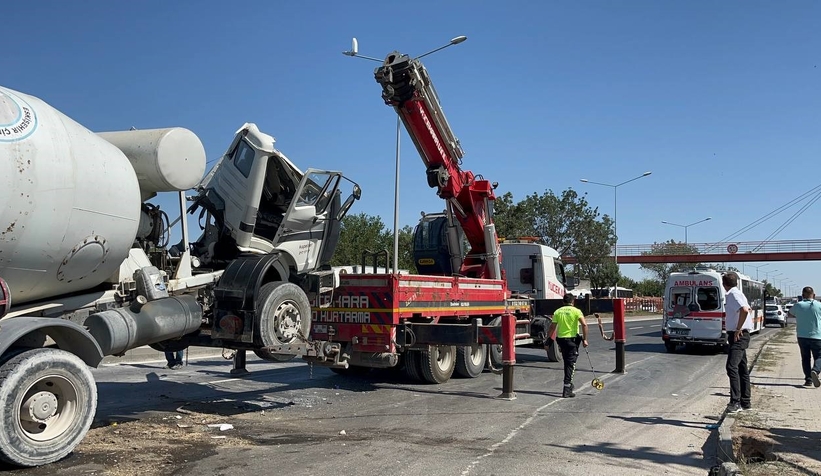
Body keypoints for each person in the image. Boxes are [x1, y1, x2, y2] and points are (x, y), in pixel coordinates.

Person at [546, 293, 589, 398]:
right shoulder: (576, 311)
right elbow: (584, 324)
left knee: (567, 362)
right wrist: (585, 339)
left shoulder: (558, 311)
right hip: (572, 341)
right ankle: (567, 388)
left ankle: (569, 384)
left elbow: (552, 327)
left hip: (561, 340)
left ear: (563, 302)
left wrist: (548, 340)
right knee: (571, 364)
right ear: (573, 302)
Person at [722, 272, 752, 414]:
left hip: (738, 335)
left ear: (724, 284)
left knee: (731, 367)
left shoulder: (733, 294)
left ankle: (735, 402)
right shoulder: (738, 293)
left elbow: (745, 310)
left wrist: (738, 328)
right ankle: (745, 401)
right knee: (742, 368)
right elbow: (748, 309)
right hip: (740, 334)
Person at [788, 286, 821, 387]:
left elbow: (789, 314)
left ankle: (808, 380)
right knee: (819, 356)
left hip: (802, 336)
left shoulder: (798, 305)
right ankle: (815, 370)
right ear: (814, 295)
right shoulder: (819, 305)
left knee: (805, 358)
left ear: (802, 296)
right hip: (817, 336)